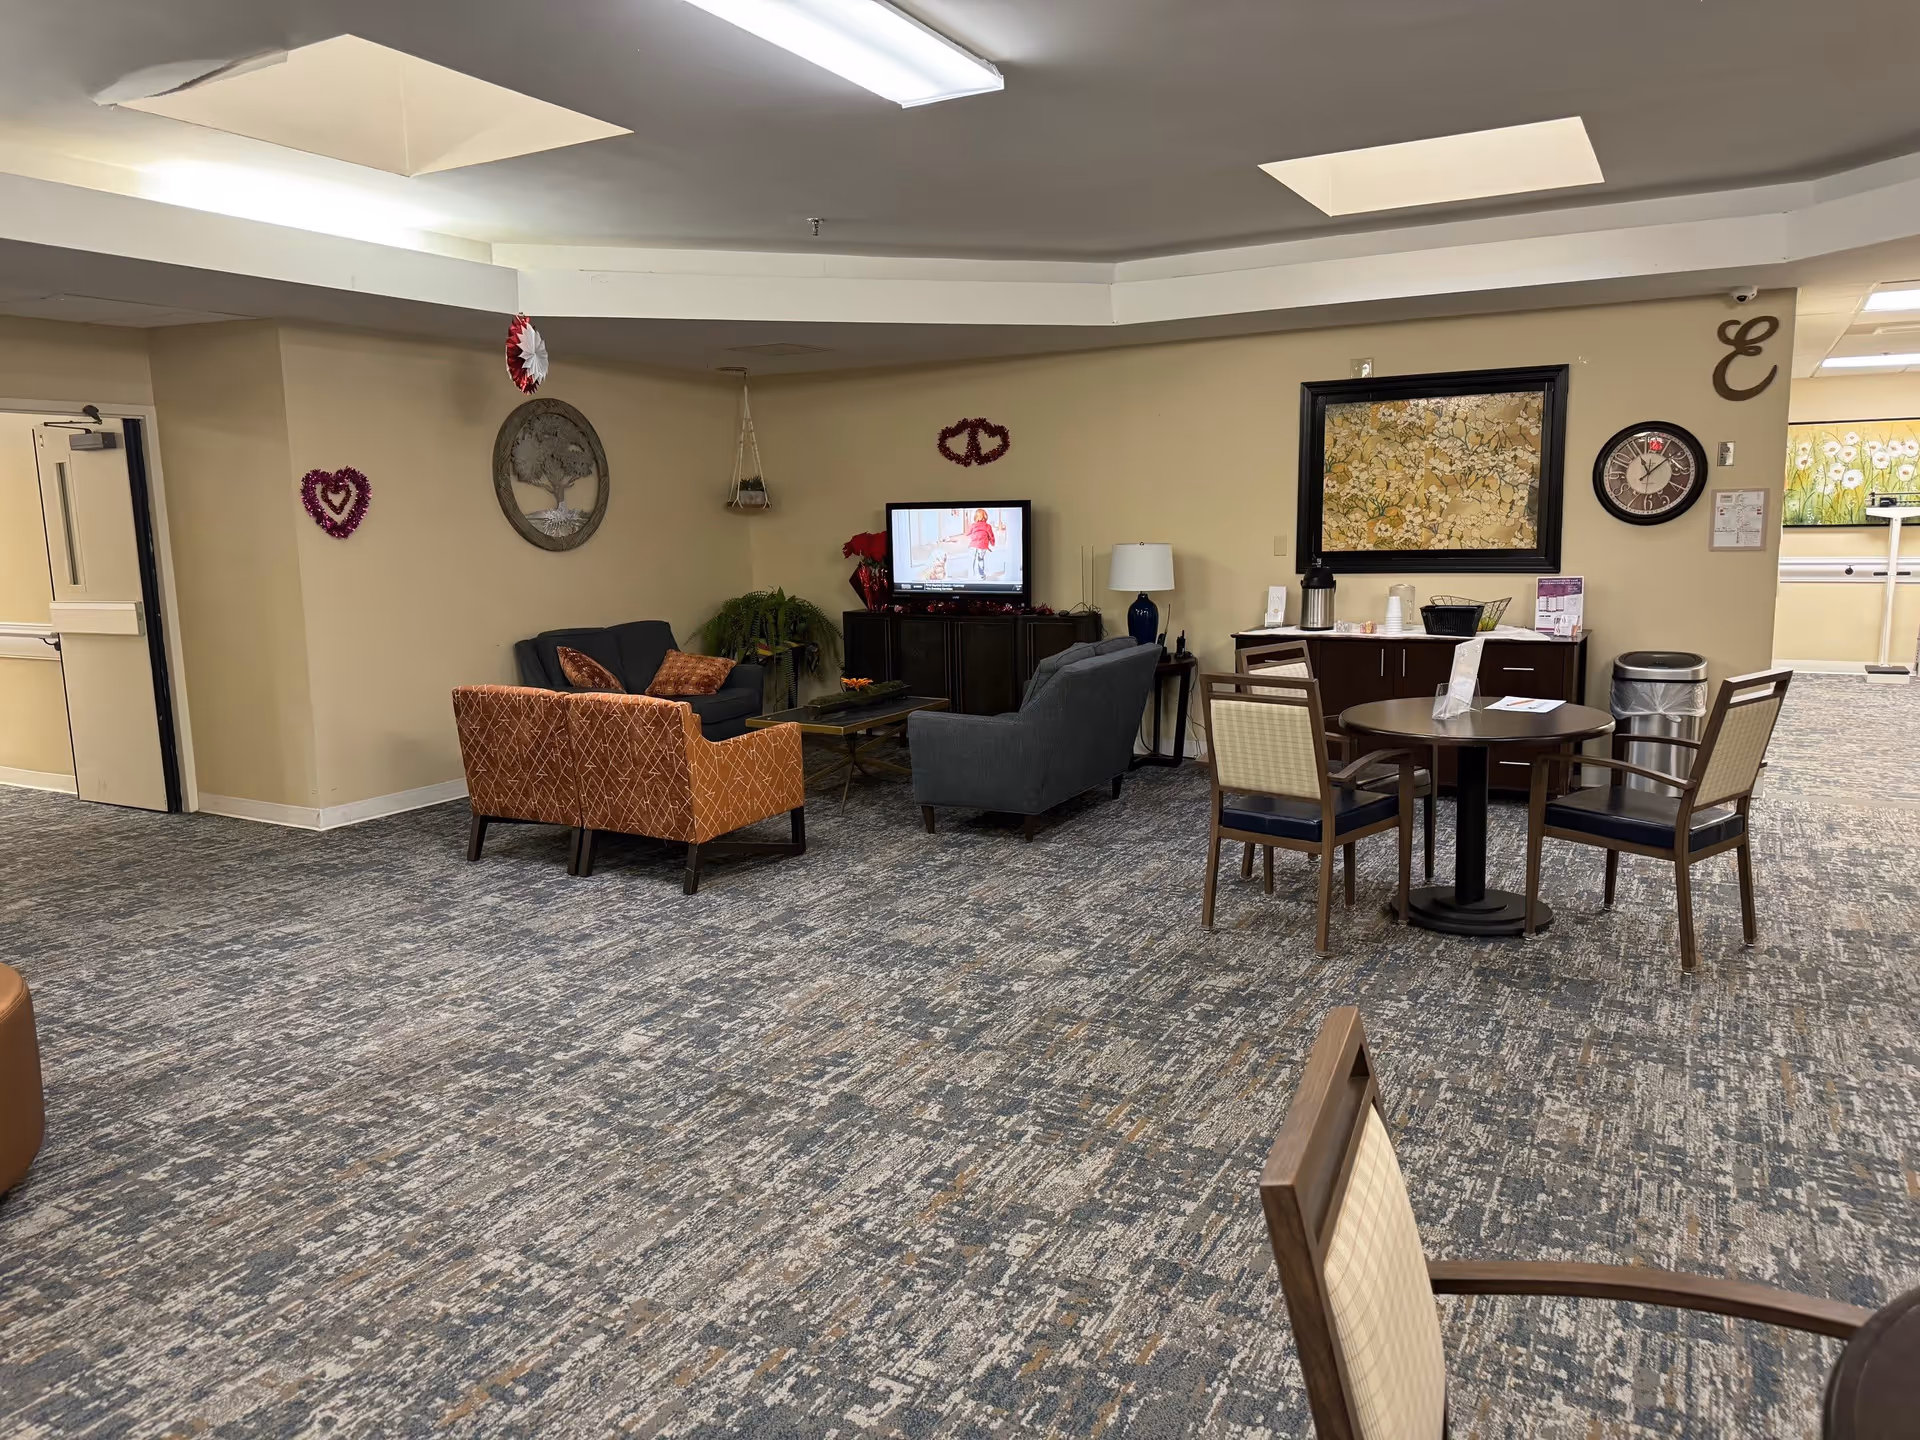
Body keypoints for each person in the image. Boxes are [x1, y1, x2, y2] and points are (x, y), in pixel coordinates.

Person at [965, 507, 995, 580]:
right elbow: (991, 536)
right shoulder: (988, 526)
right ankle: (981, 575)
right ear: (985, 517)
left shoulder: (973, 525)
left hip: (973, 545)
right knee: (980, 560)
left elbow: (967, 533)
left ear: (976, 517)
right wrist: (992, 543)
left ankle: (971, 575)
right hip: (982, 546)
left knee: (972, 559)